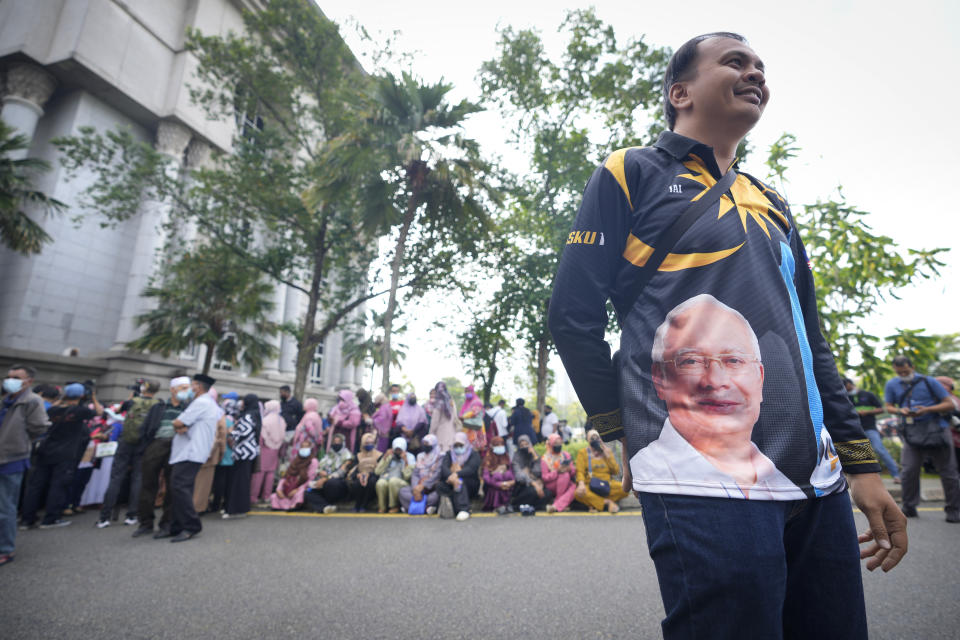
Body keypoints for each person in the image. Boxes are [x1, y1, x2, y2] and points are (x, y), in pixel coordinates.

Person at [548, 32, 905, 638]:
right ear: (679, 92)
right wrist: (620, 431)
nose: (755, 74)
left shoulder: (773, 201)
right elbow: (572, 318)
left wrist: (859, 462)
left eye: (761, 68)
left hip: (814, 477)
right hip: (697, 478)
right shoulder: (629, 172)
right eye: (735, 62)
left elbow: (809, 342)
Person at [632, 295, 806, 499]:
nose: (715, 380)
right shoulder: (655, 474)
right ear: (659, 378)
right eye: (691, 361)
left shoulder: (784, 481)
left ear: (760, 378)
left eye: (734, 360)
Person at [883, 355, 960, 522]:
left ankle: (954, 510)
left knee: (948, 472)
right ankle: (909, 506)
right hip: (912, 432)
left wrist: (927, 409)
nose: (903, 375)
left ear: (912, 366)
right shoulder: (892, 384)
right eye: (899, 372)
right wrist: (900, 411)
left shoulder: (929, 381)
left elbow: (949, 404)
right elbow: (888, 406)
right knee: (909, 470)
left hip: (937, 429)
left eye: (905, 371)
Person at [21, 381, 102, 529]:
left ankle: (27, 519)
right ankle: (50, 519)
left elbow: (54, 407)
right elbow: (99, 412)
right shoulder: (79, 411)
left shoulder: (53, 410)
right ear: (82, 395)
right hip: (66, 453)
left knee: (36, 485)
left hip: (46, 450)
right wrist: (94, 398)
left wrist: (62, 398)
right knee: (58, 485)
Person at [0, 364, 49, 566]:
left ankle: (5, 549)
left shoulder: (32, 401)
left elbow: (39, 427)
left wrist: (19, 441)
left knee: (5, 508)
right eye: (9, 376)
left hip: (12, 459)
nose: (10, 380)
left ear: (29, 381)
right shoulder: (6, 400)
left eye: (16, 377)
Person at [96, 380, 160, 528]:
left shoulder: (131, 402)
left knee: (116, 477)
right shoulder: (158, 404)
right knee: (138, 479)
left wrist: (132, 397)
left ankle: (104, 517)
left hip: (126, 442)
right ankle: (131, 515)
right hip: (143, 443)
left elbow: (117, 412)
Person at [132, 376, 190, 539]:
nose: (187, 391)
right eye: (183, 388)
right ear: (172, 389)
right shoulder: (159, 407)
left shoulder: (189, 407)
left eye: (188, 388)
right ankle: (145, 523)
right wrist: (145, 447)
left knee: (172, 487)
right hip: (156, 445)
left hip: (177, 447)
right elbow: (146, 428)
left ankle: (166, 524)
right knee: (148, 485)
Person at [167, 373, 219, 542]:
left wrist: (180, 425)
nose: (189, 388)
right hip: (189, 451)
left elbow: (178, 422)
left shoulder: (201, 402)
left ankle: (191, 525)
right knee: (180, 488)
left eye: (191, 385)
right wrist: (181, 425)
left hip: (191, 451)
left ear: (197, 386)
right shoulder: (205, 402)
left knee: (180, 487)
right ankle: (175, 525)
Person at [845, 378, 900, 483]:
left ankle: (896, 475)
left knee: (880, 450)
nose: (847, 390)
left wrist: (867, 412)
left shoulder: (868, 395)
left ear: (851, 384)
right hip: (855, 430)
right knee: (862, 454)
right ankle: (871, 478)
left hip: (870, 428)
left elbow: (881, 409)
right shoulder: (846, 397)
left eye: (847, 387)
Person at [223, 393, 260, 519]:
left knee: (239, 481)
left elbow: (243, 432)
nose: (242, 403)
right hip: (248, 452)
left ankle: (235, 509)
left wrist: (230, 432)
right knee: (242, 481)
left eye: (244, 401)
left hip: (243, 452)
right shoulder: (255, 414)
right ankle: (239, 508)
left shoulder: (248, 415)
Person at [575, 430, 630, 513]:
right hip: (590, 484)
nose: (595, 440)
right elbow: (580, 471)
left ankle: (595, 503)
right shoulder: (583, 453)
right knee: (578, 493)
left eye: (597, 437)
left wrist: (608, 456)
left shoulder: (606, 452)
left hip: (607, 484)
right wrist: (581, 484)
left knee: (624, 489)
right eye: (592, 438)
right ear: (588, 440)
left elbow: (616, 471)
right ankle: (608, 503)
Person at [304, 432, 352, 514]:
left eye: (338, 442)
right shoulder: (329, 454)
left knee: (331, 483)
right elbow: (319, 468)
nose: (336, 444)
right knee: (308, 491)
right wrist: (320, 473)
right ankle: (325, 507)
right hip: (323, 482)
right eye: (334, 442)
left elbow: (341, 473)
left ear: (343, 443)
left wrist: (326, 479)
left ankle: (326, 504)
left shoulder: (348, 456)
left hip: (339, 483)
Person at [437, 432, 481, 521]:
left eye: (460, 445)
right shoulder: (449, 454)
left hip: (470, 483)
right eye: (456, 445)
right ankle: (454, 506)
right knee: (440, 485)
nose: (458, 448)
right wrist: (451, 476)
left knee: (460, 482)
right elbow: (444, 467)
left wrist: (456, 475)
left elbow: (471, 469)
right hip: (452, 480)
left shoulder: (473, 454)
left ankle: (464, 509)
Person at [398, 433, 443, 514]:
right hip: (418, 486)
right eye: (424, 443)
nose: (424, 445)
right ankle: (426, 508)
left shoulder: (440, 456)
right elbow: (415, 473)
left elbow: (437, 474)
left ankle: (410, 507)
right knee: (402, 491)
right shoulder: (420, 456)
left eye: (427, 443)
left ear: (433, 444)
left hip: (431, 486)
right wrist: (415, 488)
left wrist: (424, 485)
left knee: (437, 494)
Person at [251, 400, 284, 506]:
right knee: (270, 474)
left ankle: (253, 497)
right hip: (275, 450)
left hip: (264, 449)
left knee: (259, 474)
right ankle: (266, 496)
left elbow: (262, 437)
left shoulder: (265, 420)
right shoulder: (281, 420)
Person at [510, 434, 551, 511]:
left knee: (547, 493)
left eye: (526, 444)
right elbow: (520, 476)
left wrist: (535, 457)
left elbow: (537, 472)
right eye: (522, 445)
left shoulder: (534, 455)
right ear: (519, 446)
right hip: (522, 486)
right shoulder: (516, 457)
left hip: (536, 483)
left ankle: (532, 507)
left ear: (530, 444)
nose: (524, 447)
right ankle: (517, 505)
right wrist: (534, 483)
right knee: (532, 491)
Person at [271, 444, 318, 511]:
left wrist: (297, 489)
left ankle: (294, 506)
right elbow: (286, 476)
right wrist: (279, 489)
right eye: (302, 447)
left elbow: (310, 480)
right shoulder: (295, 460)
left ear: (310, 449)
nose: (304, 449)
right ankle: (283, 506)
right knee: (274, 496)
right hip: (290, 486)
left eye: (306, 447)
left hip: (304, 486)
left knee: (300, 493)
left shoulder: (313, 461)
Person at [374, 437, 414, 513]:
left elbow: (407, 476)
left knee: (393, 481)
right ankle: (382, 507)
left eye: (400, 450)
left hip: (403, 482)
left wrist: (405, 462)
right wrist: (385, 458)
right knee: (380, 483)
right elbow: (377, 472)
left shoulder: (410, 457)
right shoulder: (389, 456)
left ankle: (394, 506)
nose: (398, 452)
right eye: (396, 450)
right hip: (387, 479)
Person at [540, 433, 576, 513]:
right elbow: (544, 477)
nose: (558, 445)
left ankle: (555, 506)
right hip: (551, 484)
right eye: (556, 443)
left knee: (574, 487)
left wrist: (570, 469)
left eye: (560, 443)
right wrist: (557, 472)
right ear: (551, 444)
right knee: (564, 475)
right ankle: (560, 504)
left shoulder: (566, 455)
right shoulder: (545, 458)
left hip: (566, 482)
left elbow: (573, 472)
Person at [347, 432, 381, 512]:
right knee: (357, 483)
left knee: (371, 482)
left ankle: (364, 504)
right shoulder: (358, 455)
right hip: (360, 474)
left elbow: (380, 470)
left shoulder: (379, 455)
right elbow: (354, 469)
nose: (369, 444)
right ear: (362, 443)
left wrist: (369, 474)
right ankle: (357, 504)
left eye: (371, 443)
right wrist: (359, 474)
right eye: (367, 443)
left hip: (373, 475)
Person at [481, 436, 514, 512]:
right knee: (497, 476)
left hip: (508, 485)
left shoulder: (506, 457)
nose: (500, 447)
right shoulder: (488, 459)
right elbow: (486, 478)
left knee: (507, 474)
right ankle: (497, 505)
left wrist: (510, 482)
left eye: (501, 444)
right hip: (493, 485)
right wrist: (500, 484)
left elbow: (512, 472)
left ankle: (507, 504)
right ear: (492, 446)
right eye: (497, 445)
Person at [428, 381, 458, 453]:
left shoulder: (438, 403)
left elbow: (434, 423)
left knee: (441, 456)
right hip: (452, 434)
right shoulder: (451, 402)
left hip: (440, 435)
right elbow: (455, 417)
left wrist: (430, 434)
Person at [459, 385, 487, 454]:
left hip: (475, 427)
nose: (467, 393)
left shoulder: (477, 401)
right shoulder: (466, 403)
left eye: (468, 391)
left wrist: (463, 417)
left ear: (472, 392)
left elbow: (474, 412)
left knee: (475, 449)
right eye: (465, 392)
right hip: (467, 427)